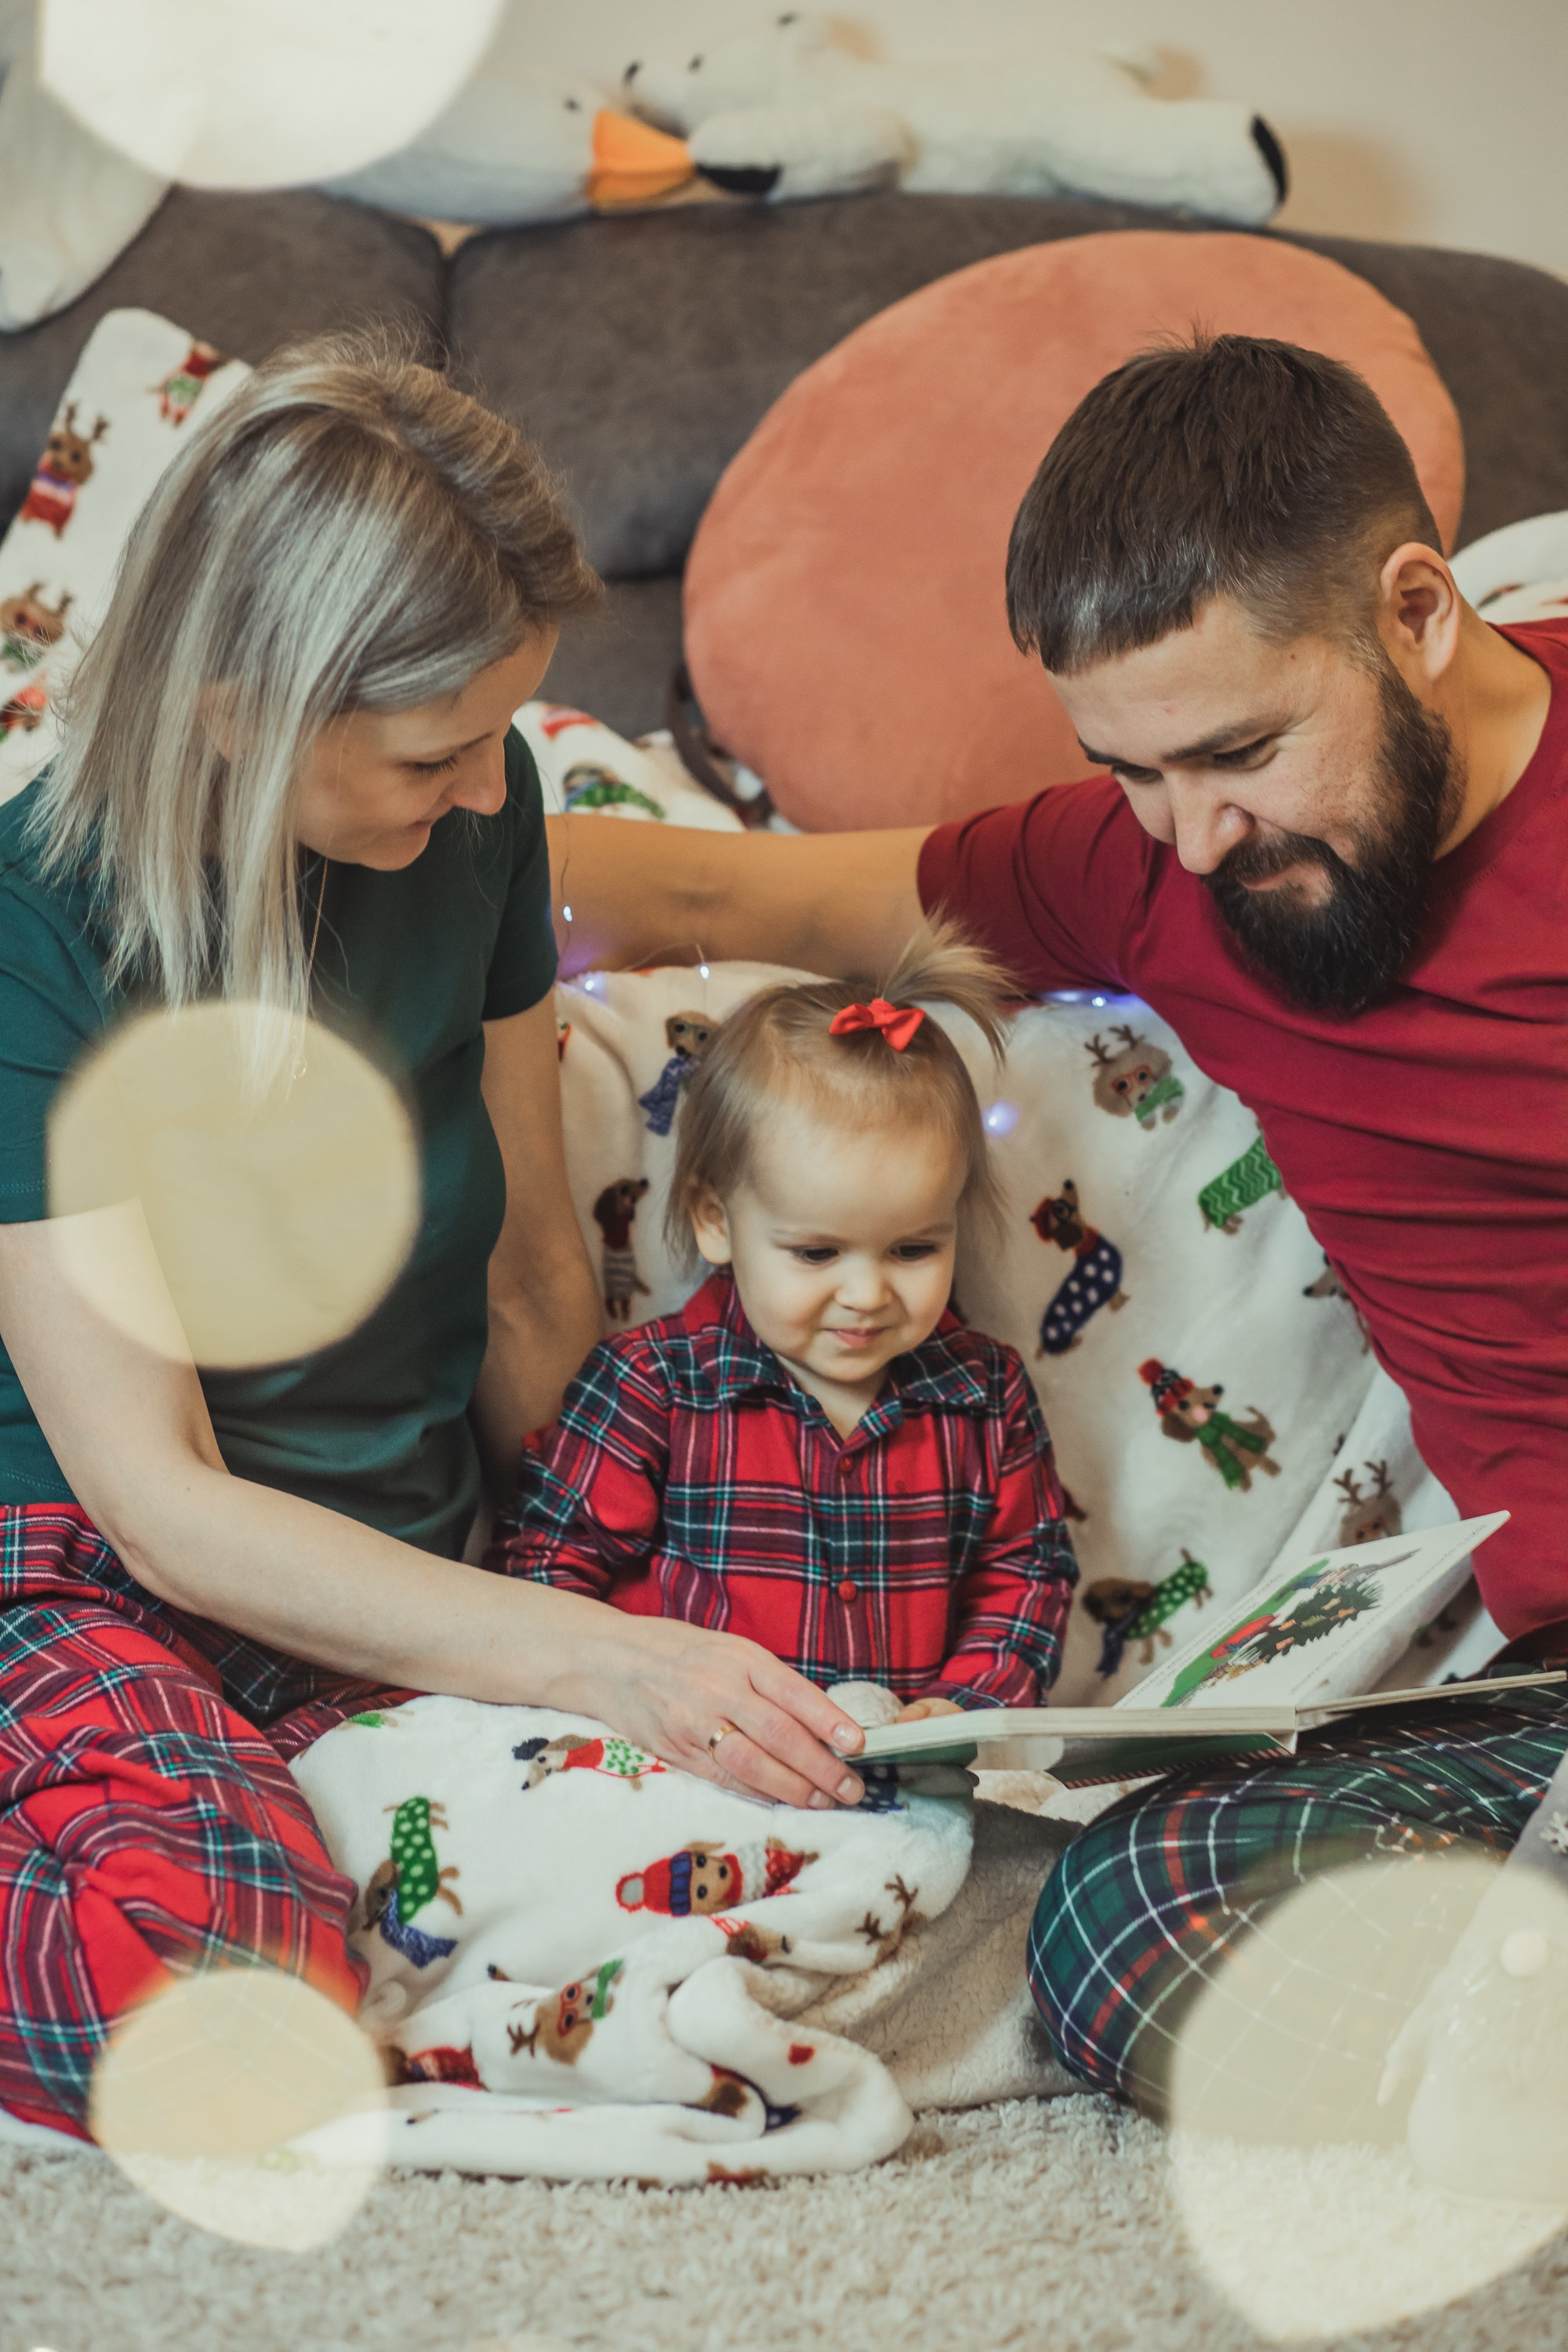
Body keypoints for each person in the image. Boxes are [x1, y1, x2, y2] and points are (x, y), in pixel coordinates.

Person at [554, 333, 1568, 2120]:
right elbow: (716, 882)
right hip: (1539, 1703)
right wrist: (345, 846)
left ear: (1415, 611)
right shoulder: (1162, 867)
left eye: (1237, 749)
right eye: (1132, 771)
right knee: (1125, 1930)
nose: (1189, 839)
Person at [0, 336, 867, 2140]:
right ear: (237, 706)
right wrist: (585, 1663)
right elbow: (157, 1501)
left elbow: (531, 1271)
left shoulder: (479, 825)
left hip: (393, 1573)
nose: (489, 791)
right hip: (91, 1573)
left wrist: (608, 1583)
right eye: (435, 748)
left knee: (817, 1821)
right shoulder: (36, 926)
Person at [489, 925, 1078, 1716]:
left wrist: (967, 1703)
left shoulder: (984, 1395)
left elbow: (1026, 1576)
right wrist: (611, 1703)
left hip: (904, 1775)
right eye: (815, 1253)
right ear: (715, 1222)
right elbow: (548, 1565)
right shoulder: (652, 1386)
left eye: (911, 1248)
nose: (866, 1293)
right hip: (692, 1770)